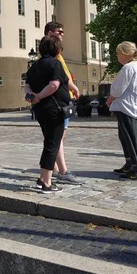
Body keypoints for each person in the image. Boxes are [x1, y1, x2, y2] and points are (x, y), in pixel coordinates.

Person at [24, 36, 70, 193]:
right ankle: (46, 183)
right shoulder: (55, 64)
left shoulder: (34, 66)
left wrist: (32, 97)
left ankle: (42, 178)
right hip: (54, 109)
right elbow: (54, 85)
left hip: (41, 110)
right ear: (57, 50)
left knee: (49, 143)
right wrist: (40, 96)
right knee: (52, 144)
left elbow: (27, 86)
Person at [43, 22, 83, 185]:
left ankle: (54, 168)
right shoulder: (54, 55)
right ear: (49, 33)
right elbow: (61, 77)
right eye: (59, 31)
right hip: (58, 102)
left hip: (56, 101)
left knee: (57, 137)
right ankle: (62, 171)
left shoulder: (51, 54)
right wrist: (73, 87)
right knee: (58, 137)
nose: (62, 34)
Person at [106, 42, 137, 181]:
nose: (117, 56)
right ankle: (130, 164)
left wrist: (110, 98)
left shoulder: (129, 67)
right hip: (133, 106)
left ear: (124, 54)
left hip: (127, 107)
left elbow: (118, 89)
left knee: (130, 138)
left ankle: (136, 168)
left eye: (118, 53)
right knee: (125, 137)